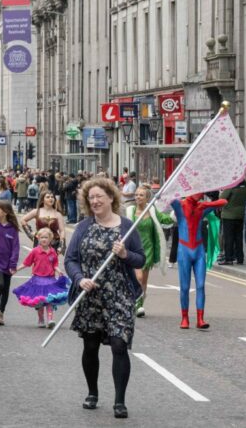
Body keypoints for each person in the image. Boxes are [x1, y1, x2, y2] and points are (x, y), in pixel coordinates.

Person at [65, 177, 145, 419]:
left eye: (100, 196)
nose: (95, 201)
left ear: (111, 197)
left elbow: (140, 259)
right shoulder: (83, 227)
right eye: (91, 198)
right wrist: (79, 279)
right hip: (90, 295)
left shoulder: (127, 227)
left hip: (119, 294)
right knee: (90, 344)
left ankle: (120, 401)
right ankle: (92, 393)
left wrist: (124, 254)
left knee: (119, 344)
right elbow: (70, 259)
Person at [170, 193, 226, 329]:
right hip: (184, 251)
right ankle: (185, 317)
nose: (199, 193)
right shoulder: (181, 206)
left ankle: (200, 318)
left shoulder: (202, 207)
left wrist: (206, 204)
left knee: (201, 285)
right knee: (184, 287)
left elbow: (223, 201)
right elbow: (170, 200)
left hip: (199, 250)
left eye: (201, 191)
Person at [125, 185, 174, 318]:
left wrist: (177, 213)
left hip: (148, 249)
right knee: (138, 278)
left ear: (147, 198)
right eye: (136, 195)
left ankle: (139, 304)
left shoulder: (152, 211)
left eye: (141, 195)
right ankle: (135, 302)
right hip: (133, 249)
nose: (137, 197)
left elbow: (166, 220)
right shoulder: (130, 211)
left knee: (143, 281)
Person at [12, 228, 69, 327]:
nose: (44, 239)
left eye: (46, 237)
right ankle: (41, 319)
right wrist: (17, 269)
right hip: (37, 280)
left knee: (49, 300)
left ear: (50, 239)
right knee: (40, 302)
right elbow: (27, 263)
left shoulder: (52, 252)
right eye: (42, 237)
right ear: (38, 238)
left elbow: (54, 264)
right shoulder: (35, 251)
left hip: (50, 280)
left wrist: (59, 270)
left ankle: (50, 319)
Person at [220, 180, 246, 265]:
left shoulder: (231, 185)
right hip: (240, 214)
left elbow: (222, 199)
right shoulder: (245, 185)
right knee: (238, 237)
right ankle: (240, 258)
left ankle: (229, 258)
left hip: (229, 215)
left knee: (228, 238)